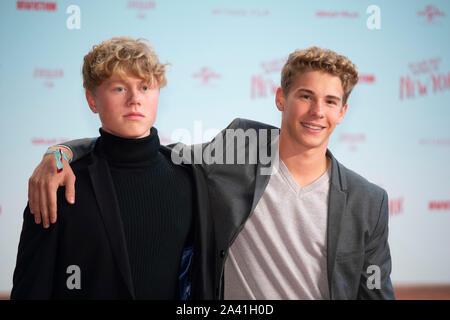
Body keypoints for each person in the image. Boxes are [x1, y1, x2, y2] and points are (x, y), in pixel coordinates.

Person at [25, 46, 394, 299]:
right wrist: (59, 154)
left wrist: (59, 153)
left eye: (330, 101)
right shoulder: (235, 152)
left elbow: (374, 291)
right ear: (281, 98)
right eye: (305, 96)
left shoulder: (368, 200)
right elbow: (140, 149)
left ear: (343, 112)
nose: (317, 111)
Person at [11, 37, 214, 299]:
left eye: (144, 87)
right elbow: (32, 289)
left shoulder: (191, 178)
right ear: (92, 100)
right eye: (119, 88)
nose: (134, 99)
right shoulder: (59, 183)